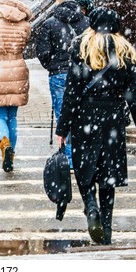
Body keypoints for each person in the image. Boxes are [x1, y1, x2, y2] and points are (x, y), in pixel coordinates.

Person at [56, 7, 136, 245]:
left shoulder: (82, 47)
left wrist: (62, 129)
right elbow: (133, 95)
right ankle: (107, 232)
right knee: (108, 175)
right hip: (112, 119)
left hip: (85, 118)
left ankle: (91, 207)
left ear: (92, 25)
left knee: (84, 169)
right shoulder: (125, 52)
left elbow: (71, 91)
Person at [36, 0, 90, 170]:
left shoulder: (49, 23)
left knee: (63, 116)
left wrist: (53, 65)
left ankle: (69, 159)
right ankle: (82, 155)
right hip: (82, 73)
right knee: (82, 114)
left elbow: (43, 52)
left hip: (59, 74)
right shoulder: (87, 22)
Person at [0, 0, 32, 172]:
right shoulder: (24, 23)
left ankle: (4, 144)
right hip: (17, 71)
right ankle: (11, 154)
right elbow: (24, 44)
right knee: (13, 117)